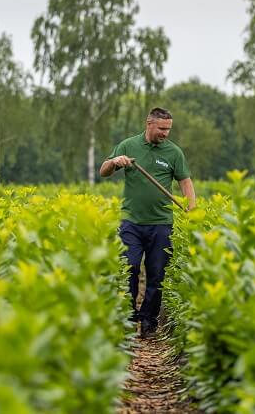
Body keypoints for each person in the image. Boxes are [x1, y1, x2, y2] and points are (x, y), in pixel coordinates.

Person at [99, 107, 197, 339]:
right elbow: (103, 171)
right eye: (162, 128)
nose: (165, 133)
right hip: (131, 222)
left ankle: (148, 322)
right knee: (130, 267)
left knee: (157, 274)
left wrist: (192, 208)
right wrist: (115, 161)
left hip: (161, 223)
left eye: (168, 129)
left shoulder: (174, 152)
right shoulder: (128, 146)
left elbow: (185, 182)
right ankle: (129, 317)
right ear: (149, 123)